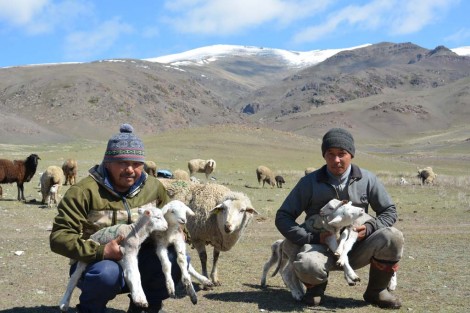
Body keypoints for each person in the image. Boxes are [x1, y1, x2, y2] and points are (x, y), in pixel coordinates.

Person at [50, 123, 181, 313]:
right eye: (122, 163)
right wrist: (101, 251)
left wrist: (179, 232)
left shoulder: (154, 187)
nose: (130, 170)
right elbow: (59, 238)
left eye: (136, 164)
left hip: (140, 260)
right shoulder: (84, 192)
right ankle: (90, 309)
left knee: (176, 257)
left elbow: (171, 221)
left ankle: (145, 308)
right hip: (96, 265)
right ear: (107, 162)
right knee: (106, 274)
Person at [275, 128, 404, 309]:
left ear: (351, 154)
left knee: (393, 237)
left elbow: (389, 211)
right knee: (306, 263)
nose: (336, 160)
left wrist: (368, 229)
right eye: (330, 154)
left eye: (342, 154)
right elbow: (283, 217)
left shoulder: (367, 179)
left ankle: (377, 291)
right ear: (324, 156)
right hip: (320, 248)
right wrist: (311, 238)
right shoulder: (310, 182)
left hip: (358, 246)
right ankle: (315, 290)